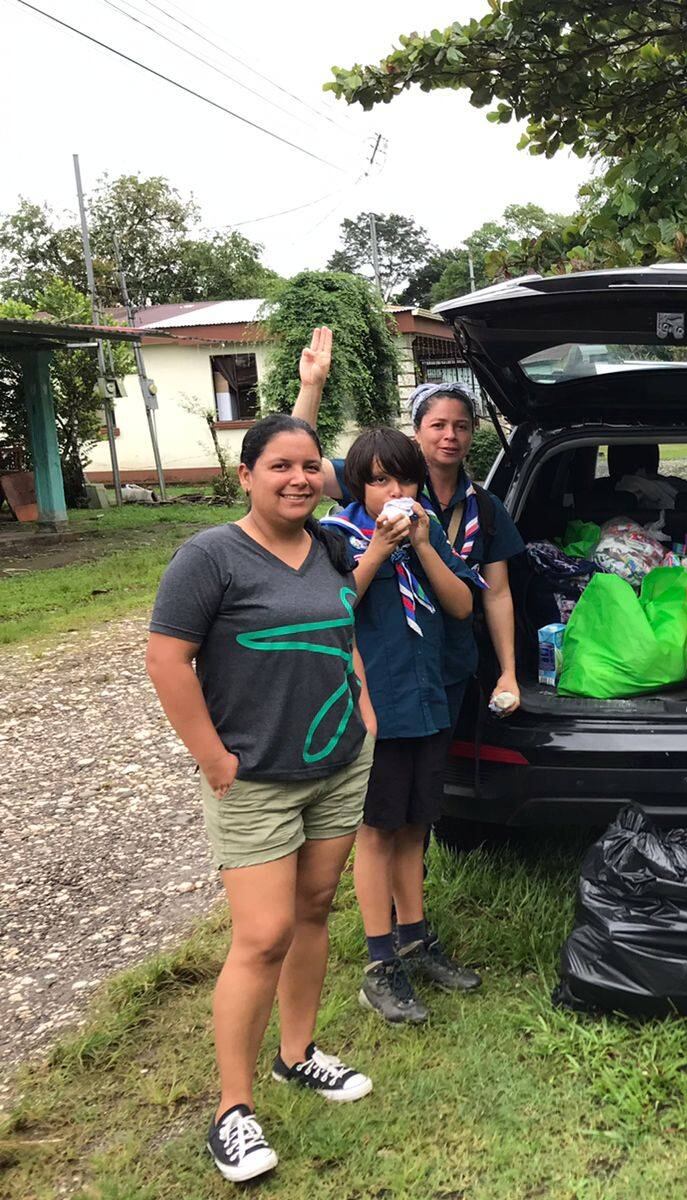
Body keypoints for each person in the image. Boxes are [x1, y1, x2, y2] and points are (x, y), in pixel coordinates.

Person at [146, 415, 377, 1184]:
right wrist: (212, 757)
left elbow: (343, 628)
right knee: (263, 934)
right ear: (245, 475)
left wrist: (365, 710)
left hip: (338, 762)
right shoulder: (209, 557)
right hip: (257, 780)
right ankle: (232, 1113)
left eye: (311, 465)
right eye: (280, 465)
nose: (299, 478)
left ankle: (297, 1054)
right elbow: (167, 658)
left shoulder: (332, 545)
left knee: (314, 911)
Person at [322, 428, 483, 1024]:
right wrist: (379, 553)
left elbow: (462, 606)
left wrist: (422, 543)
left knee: (417, 825)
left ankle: (415, 939)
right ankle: (379, 961)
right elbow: (337, 608)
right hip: (379, 706)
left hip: (428, 697)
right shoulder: (338, 538)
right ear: (359, 486)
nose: (396, 490)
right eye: (381, 480)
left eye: (405, 479)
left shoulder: (428, 530)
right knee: (377, 830)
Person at [293, 329, 524, 729]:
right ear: (417, 432)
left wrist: (508, 672)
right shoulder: (381, 483)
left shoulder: (486, 508)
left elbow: (497, 594)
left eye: (462, 426)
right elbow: (300, 462)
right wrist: (312, 387)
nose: (450, 435)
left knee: (434, 773)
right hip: (390, 666)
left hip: (451, 663)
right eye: (438, 425)